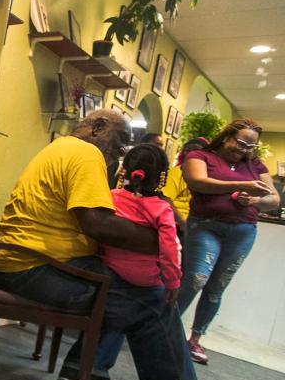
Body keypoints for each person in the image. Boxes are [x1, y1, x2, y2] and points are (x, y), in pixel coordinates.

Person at [0, 109, 251, 380]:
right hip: (33, 267)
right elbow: (98, 224)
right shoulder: (86, 154)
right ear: (96, 126)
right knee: (152, 299)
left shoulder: (62, 147)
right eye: (122, 140)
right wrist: (164, 240)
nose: (123, 151)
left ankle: (90, 371)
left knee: (125, 285)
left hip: (27, 261)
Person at [178, 119, 279, 364]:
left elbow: (274, 200)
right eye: (241, 143)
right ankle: (162, 328)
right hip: (206, 225)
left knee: (217, 286)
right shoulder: (200, 155)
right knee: (195, 279)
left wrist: (254, 201)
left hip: (243, 230)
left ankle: (195, 339)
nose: (244, 150)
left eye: (250, 146)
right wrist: (242, 184)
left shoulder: (256, 165)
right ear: (226, 137)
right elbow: (198, 182)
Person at [102, 144, 181, 302]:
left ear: (126, 170)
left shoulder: (109, 196)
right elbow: (170, 248)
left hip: (105, 267)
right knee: (165, 312)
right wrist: (172, 282)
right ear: (161, 177)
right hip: (143, 279)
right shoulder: (162, 209)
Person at [162, 137, 208, 242]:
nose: (191, 153)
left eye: (196, 149)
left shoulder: (210, 175)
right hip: (179, 226)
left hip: (200, 226)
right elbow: (165, 198)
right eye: (187, 150)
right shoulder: (177, 172)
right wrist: (182, 222)